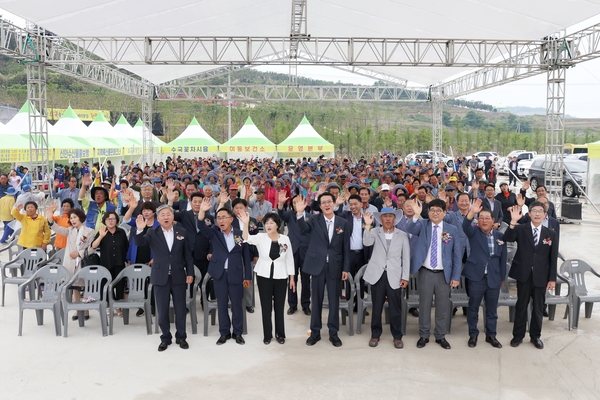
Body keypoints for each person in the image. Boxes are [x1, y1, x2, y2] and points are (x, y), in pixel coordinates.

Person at [134, 205, 195, 352]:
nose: (166, 217)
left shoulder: (182, 232)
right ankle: (165, 338)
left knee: (180, 309)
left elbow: (188, 255)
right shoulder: (152, 232)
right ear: (158, 218)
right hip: (160, 276)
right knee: (162, 310)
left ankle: (181, 337)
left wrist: (190, 273)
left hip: (179, 275)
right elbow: (139, 243)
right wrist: (140, 230)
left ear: (173, 216)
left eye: (168, 214)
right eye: (163, 215)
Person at [295, 192, 350, 348]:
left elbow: (346, 247)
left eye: (329, 201)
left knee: (334, 301)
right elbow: (303, 229)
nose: (327, 204)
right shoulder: (314, 220)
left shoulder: (342, 222)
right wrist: (299, 213)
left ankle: (333, 333)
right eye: (323, 202)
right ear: (319, 206)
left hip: (335, 266)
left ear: (333, 204)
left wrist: (345, 268)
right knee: (316, 301)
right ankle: (315, 333)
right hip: (317, 266)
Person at [406, 199, 462, 350]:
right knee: (424, 305)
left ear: (445, 212)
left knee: (442, 306)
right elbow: (410, 227)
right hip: (425, 272)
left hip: (444, 274)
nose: (435, 213)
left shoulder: (452, 229)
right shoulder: (423, 225)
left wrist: (456, 276)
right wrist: (416, 215)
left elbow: (457, 255)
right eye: (432, 210)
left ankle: (440, 336)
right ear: (428, 212)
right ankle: (423, 335)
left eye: (438, 210)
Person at [197, 198, 252, 345]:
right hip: (219, 274)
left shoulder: (240, 234)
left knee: (236, 305)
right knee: (221, 305)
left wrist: (248, 276)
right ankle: (224, 333)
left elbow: (246, 257)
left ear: (231, 219)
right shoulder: (214, 232)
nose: (221, 220)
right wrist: (202, 211)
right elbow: (201, 226)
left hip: (236, 274)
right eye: (218, 218)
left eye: (224, 217)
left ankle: (238, 333)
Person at [504, 201, 558, 350]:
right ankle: (518, 336)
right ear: (529, 214)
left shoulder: (550, 234)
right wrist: (513, 221)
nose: (537, 214)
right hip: (524, 274)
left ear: (545, 215)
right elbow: (507, 238)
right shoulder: (521, 229)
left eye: (540, 211)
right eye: (534, 211)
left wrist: (552, 278)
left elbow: (553, 258)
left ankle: (535, 336)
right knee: (521, 305)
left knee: (539, 308)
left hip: (541, 275)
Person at [240, 211, 295, 345]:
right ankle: (267, 335)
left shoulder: (284, 239)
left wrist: (292, 278)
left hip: (281, 276)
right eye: (266, 223)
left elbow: (289, 259)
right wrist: (245, 224)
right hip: (263, 275)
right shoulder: (261, 237)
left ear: (277, 225)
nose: (268, 225)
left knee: (279, 307)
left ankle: (280, 334)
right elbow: (246, 238)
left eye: (272, 223)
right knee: (266, 307)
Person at [461, 199, 507, 349]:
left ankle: (491, 335)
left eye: (488, 218)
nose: (484, 220)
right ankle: (473, 334)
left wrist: (502, 277)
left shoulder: (500, 236)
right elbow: (465, 226)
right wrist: (472, 211)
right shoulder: (473, 232)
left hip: (493, 277)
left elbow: (503, 258)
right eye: (481, 218)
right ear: (478, 220)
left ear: (493, 220)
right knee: (473, 307)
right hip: (476, 277)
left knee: (492, 309)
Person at [362, 208, 410, 349]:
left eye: (390, 216)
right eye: (385, 216)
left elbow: (406, 258)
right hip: (378, 275)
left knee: (396, 308)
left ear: (395, 219)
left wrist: (405, 277)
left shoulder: (402, 235)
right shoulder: (375, 232)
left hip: (394, 275)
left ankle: (397, 336)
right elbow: (366, 243)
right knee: (376, 307)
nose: (388, 219)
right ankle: (375, 334)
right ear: (380, 219)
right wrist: (368, 226)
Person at [47, 208, 95, 320]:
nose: (73, 220)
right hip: (71, 263)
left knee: (85, 287)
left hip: (83, 262)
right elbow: (57, 228)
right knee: (75, 287)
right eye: (71, 218)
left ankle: (86, 309)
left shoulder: (90, 231)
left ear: (80, 217)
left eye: (74, 217)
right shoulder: (69, 230)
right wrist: (50, 217)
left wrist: (79, 253)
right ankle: (78, 310)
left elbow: (92, 248)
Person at [277, 192, 312, 316]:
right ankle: (292, 305)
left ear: (305, 202)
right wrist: (281, 204)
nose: (297, 204)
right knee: (292, 279)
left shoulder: (310, 216)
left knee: (306, 280)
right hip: (292, 250)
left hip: (306, 252)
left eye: (299, 201)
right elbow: (280, 214)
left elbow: (308, 230)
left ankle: (306, 305)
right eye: (295, 202)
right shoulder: (290, 215)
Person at [91, 211, 129, 317]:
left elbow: (126, 247)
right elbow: (93, 246)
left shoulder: (121, 232)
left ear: (116, 220)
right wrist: (101, 236)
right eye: (108, 219)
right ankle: (109, 306)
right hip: (106, 263)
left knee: (120, 285)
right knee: (107, 286)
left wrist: (128, 260)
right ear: (105, 221)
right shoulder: (102, 231)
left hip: (120, 262)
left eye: (113, 219)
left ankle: (118, 306)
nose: (111, 221)